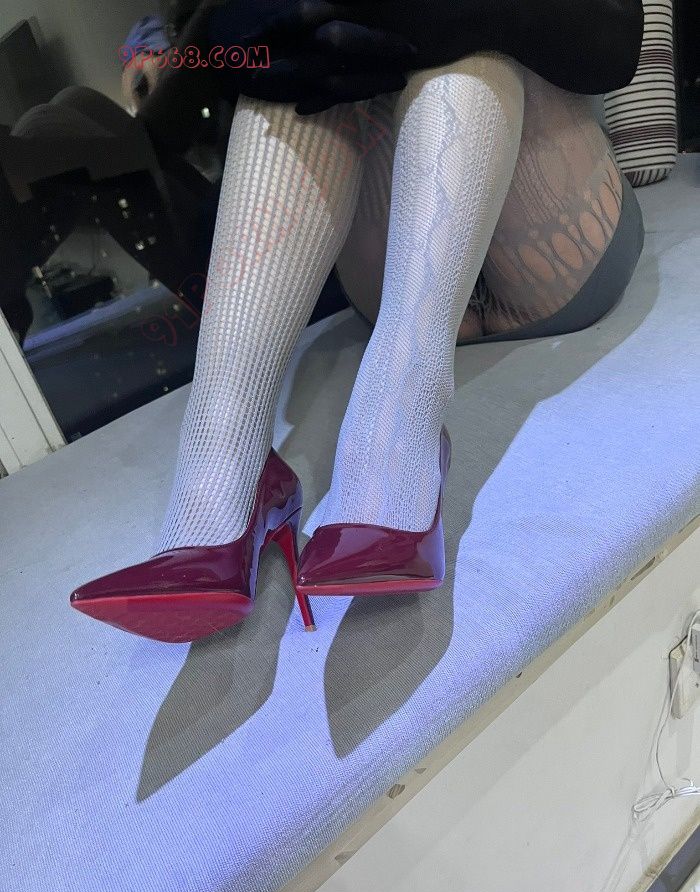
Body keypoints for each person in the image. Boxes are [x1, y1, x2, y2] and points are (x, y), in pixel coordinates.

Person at [71, 0, 645, 642]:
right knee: (293, 50)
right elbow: (177, 118)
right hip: (397, 278)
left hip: (556, 248)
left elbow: (613, 43)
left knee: (459, 24)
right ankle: (222, 470)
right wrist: (244, 29)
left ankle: (396, 430)